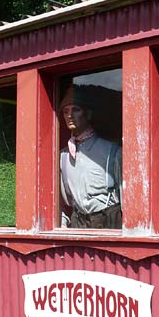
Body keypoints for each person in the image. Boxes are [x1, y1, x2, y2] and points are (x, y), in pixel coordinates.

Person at [59, 85, 122, 229]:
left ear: (88, 114)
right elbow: (63, 201)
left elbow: (126, 197)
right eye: (66, 111)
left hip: (108, 222)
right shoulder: (63, 156)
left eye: (76, 109)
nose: (70, 115)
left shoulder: (112, 151)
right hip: (78, 223)